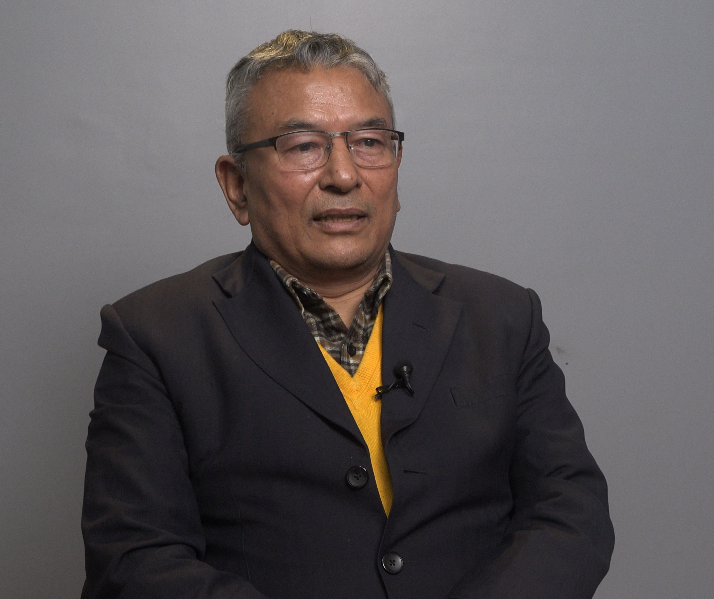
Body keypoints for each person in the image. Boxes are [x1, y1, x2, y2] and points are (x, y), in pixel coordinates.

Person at [82, 30, 614, 599]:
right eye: (303, 146)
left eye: (368, 142)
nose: (344, 175)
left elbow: (570, 515)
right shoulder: (155, 335)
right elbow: (135, 560)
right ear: (237, 187)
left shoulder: (501, 316)